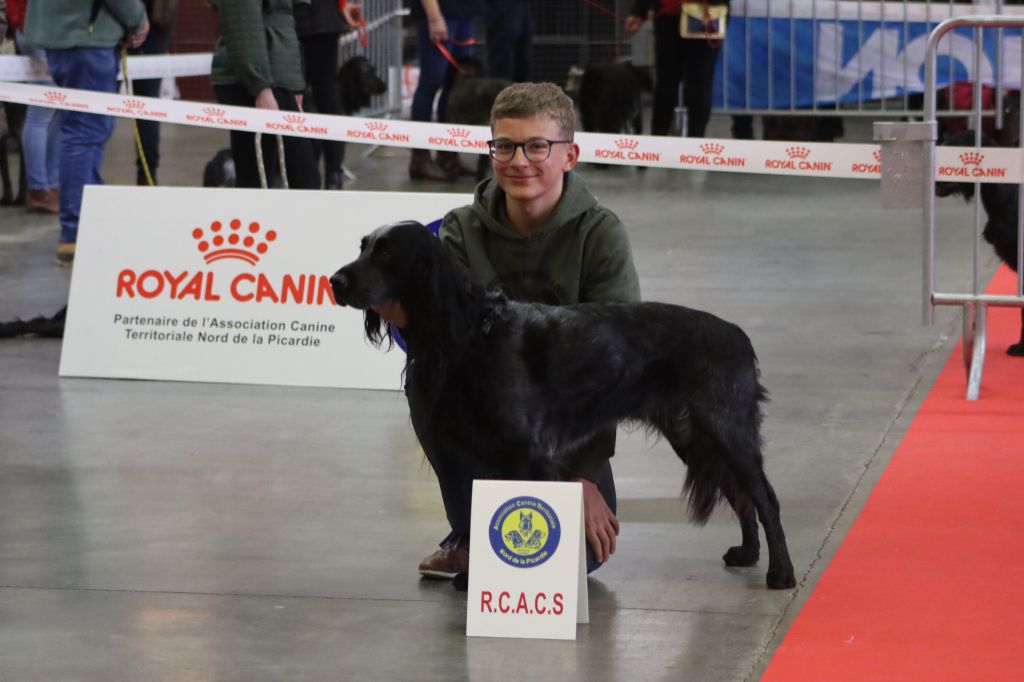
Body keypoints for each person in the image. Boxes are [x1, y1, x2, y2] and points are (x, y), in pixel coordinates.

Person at [375, 82, 641, 584]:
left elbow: (616, 367)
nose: (519, 160)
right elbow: (438, 345)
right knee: (424, 378)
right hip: (488, 418)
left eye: (537, 146)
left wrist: (581, 475)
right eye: (504, 146)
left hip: (568, 424)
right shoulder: (458, 231)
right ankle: (468, 530)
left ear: (570, 156)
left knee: (573, 563)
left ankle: (530, 507)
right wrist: (405, 318)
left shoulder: (600, 234)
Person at [24, 0, 149, 266]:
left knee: (83, 133)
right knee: (84, 134)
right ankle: (77, 234)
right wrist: (136, 18)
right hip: (85, 38)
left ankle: (87, 226)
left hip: (68, 36)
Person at [210, 0, 320, 190]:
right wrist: (260, 86)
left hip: (275, 76)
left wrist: (294, 84)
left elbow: (285, 20)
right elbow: (243, 22)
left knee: (288, 179)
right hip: (258, 80)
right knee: (271, 181)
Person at [624, 0, 727, 137]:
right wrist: (639, 11)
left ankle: (695, 141)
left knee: (699, 83)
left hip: (706, 12)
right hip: (668, 15)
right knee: (666, 84)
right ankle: (659, 140)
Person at [408, 0, 481, 182]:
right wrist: (434, 16)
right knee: (431, 82)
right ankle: (420, 158)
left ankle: (447, 155)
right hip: (439, 13)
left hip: (464, 13)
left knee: (454, 85)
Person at [295, 0, 361, 190]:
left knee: (308, 102)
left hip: (303, 21)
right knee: (324, 102)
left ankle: (323, 172)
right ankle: (332, 174)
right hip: (320, 21)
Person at [8, 0, 60, 213]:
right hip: (39, 30)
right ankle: (39, 188)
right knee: (42, 110)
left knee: (57, 108)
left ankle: (49, 185)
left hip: (37, 29)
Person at [129, 0, 179, 186]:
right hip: (157, 21)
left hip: (127, 24)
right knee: (147, 108)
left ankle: (147, 173)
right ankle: (147, 175)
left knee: (146, 108)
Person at [482, 0, 530, 83]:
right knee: (502, 59)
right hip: (500, 7)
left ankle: (523, 91)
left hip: (520, 5)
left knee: (523, 57)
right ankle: (500, 92)